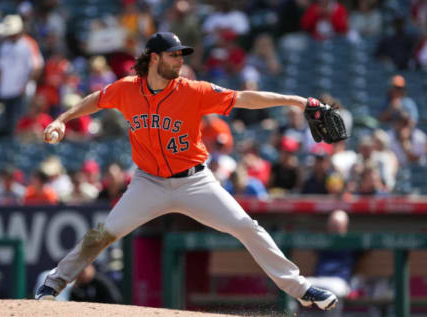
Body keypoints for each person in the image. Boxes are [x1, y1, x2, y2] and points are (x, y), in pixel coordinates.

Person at [36, 32, 338, 311]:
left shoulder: (194, 91)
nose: (181, 60)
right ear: (154, 58)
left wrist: (298, 101)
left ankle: (301, 289)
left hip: (195, 182)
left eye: (182, 55)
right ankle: (54, 281)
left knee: (247, 227)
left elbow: (245, 97)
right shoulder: (127, 89)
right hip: (148, 183)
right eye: (173, 55)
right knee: (104, 234)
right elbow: (97, 100)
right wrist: (63, 118)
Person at [300, 210, 356, 317]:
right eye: (332, 224)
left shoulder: (352, 242)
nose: (334, 227)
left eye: (337, 225)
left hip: (338, 282)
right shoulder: (322, 241)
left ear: (345, 226)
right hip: (319, 280)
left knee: (335, 292)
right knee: (297, 286)